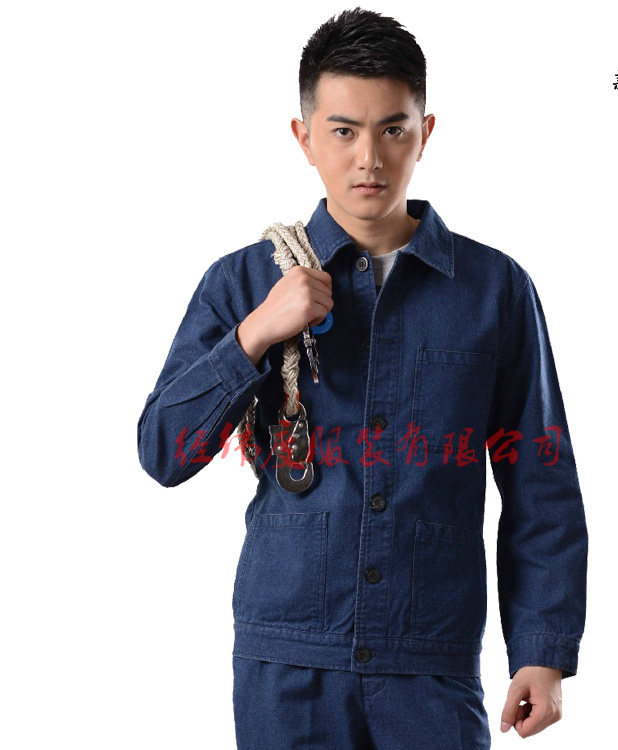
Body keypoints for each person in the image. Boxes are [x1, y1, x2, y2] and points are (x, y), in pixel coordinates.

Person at [137, 7, 588, 748]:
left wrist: (542, 651)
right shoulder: (243, 282)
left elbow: (540, 477)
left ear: (425, 133)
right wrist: (254, 335)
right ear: (304, 137)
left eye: (393, 129)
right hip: (288, 664)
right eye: (343, 131)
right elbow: (164, 450)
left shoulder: (494, 289)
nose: (369, 159)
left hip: (430, 662)